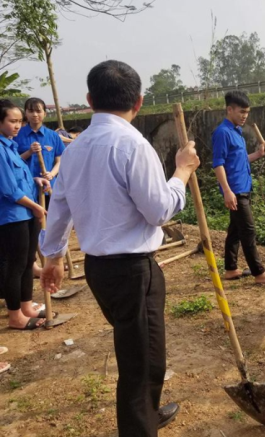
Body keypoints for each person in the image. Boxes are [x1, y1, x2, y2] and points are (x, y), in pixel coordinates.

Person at [40, 60, 200, 436]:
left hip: (100, 270)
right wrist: (182, 171)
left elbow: (58, 207)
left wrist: (52, 256)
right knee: (139, 365)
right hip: (132, 272)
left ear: (89, 100)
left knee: (147, 354)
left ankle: (147, 413)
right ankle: (139, 424)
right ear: (138, 102)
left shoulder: (75, 149)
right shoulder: (132, 145)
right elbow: (159, 210)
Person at [212, 90, 265, 285]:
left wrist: (258, 154)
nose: (244, 116)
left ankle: (231, 269)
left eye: (247, 112)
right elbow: (218, 164)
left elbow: (239, 160)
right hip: (235, 191)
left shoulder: (237, 132)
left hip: (243, 187)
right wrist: (227, 191)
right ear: (229, 110)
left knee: (235, 230)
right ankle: (259, 273)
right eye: (241, 112)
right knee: (248, 230)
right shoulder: (222, 133)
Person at [0, 99, 50, 330]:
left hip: (27, 213)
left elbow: (20, 179)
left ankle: (26, 306)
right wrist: (35, 207)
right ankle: (15, 316)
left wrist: (36, 180)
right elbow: (9, 189)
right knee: (16, 265)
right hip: (12, 216)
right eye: (12, 121)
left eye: (19, 121)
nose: (18, 125)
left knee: (28, 261)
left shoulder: (10, 146)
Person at [15, 97, 65, 199]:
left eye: (38, 111)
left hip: (49, 188)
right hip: (26, 188)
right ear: (25, 114)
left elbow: (60, 160)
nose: (35, 114)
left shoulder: (53, 136)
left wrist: (51, 174)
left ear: (45, 113)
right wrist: (29, 152)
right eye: (31, 111)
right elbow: (13, 161)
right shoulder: (17, 135)